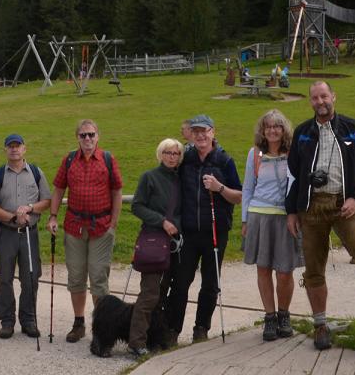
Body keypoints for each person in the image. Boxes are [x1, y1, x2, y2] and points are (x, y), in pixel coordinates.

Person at [286, 81, 355, 350]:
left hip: (345, 204)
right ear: (310, 101)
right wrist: (291, 211)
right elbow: (292, 175)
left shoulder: (352, 129)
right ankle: (320, 324)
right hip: (311, 208)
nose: (320, 101)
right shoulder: (302, 132)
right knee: (313, 267)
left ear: (333, 96)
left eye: (324, 96)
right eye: (314, 97)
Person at [47, 119, 123, 343]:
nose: (87, 139)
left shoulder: (108, 160)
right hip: (74, 227)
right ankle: (79, 323)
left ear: (98, 136)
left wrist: (114, 222)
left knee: (99, 277)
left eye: (91, 134)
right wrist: (52, 216)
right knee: (76, 276)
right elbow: (59, 188)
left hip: (101, 227)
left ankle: (101, 327)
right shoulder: (69, 159)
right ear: (77, 138)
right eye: (83, 135)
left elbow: (117, 191)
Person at [168, 113, 241, 343]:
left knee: (210, 283)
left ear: (213, 133)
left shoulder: (224, 161)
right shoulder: (186, 159)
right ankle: (172, 329)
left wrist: (219, 188)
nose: (201, 135)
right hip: (188, 232)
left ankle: (201, 328)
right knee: (180, 282)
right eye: (196, 131)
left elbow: (238, 196)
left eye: (205, 130)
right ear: (191, 134)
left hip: (215, 232)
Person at [241, 109, 301, 341]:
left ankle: (284, 314)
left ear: (284, 129)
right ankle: (269, 317)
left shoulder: (293, 154)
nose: (273, 130)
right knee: (263, 268)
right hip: (259, 215)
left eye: (277, 126)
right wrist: (245, 219)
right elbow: (248, 187)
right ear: (263, 131)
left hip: (285, 217)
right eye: (268, 127)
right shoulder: (254, 154)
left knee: (285, 271)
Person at [0, 133, 51, 339]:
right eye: (10, 146)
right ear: (5, 150)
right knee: (5, 279)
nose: (14, 149)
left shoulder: (37, 173)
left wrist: (30, 208)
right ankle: (7, 321)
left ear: (24, 149)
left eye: (17, 146)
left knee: (30, 278)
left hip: (30, 234)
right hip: (7, 234)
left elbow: (46, 201)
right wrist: (13, 217)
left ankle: (28, 319)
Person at [129, 138, 183, 357]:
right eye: (168, 152)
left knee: (169, 293)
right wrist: (161, 221)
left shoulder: (183, 179)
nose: (172, 157)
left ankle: (159, 337)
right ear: (160, 154)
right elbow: (137, 206)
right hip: (154, 240)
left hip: (178, 244)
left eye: (176, 153)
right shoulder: (149, 177)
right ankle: (136, 340)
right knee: (150, 293)